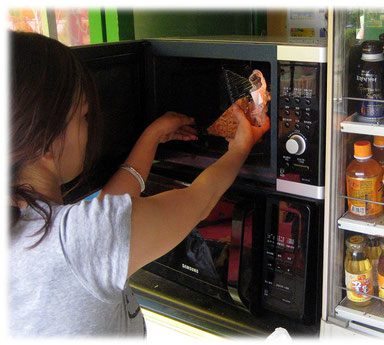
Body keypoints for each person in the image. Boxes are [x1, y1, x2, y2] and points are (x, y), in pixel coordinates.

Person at [9, 31, 269, 337]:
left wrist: (152, 137)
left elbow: (109, 212)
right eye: (84, 116)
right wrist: (240, 147)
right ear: (46, 137)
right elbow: (200, 199)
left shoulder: (29, 226)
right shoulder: (80, 242)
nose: (89, 126)